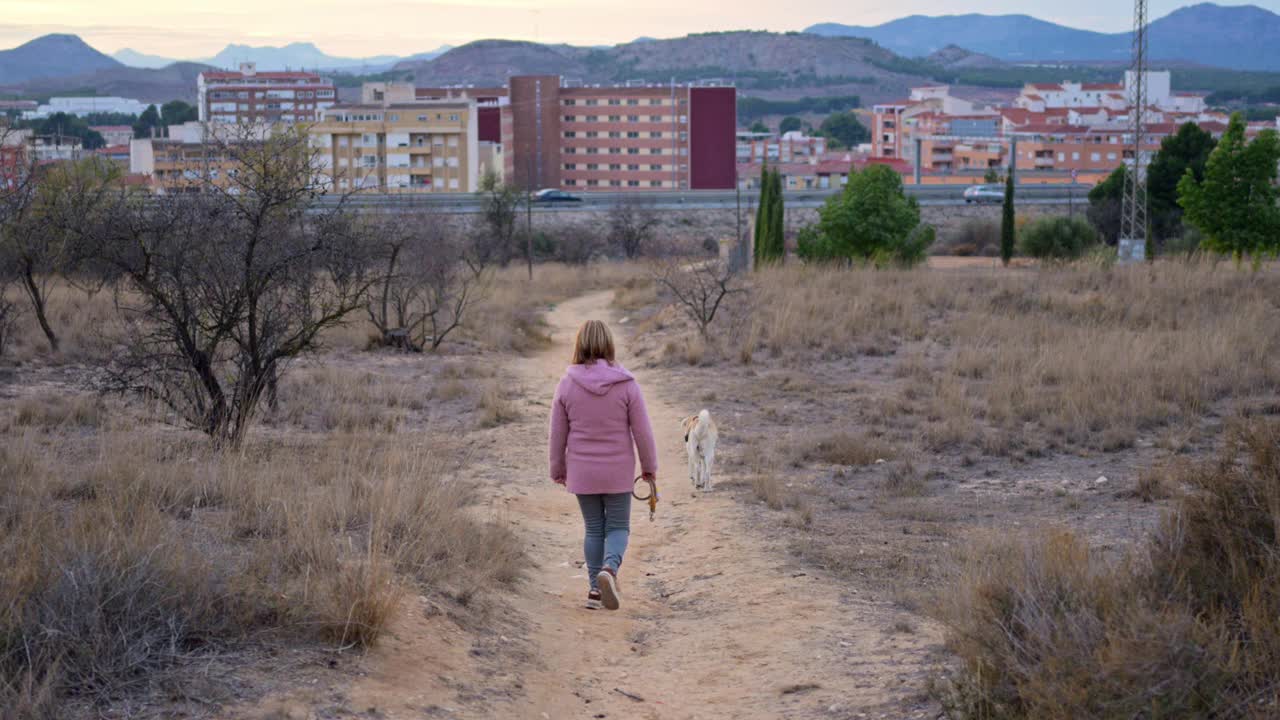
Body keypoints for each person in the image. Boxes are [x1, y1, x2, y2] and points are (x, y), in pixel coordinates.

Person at [549, 320, 657, 610]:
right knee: (618, 526)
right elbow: (643, 432)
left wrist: (557, 469)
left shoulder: (566, 384)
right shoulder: (626, 384)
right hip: (618, 470)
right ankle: (609, 569)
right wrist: (649, 468)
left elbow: (557, 434)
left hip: (582, 472)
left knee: (594, 528)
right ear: (609, 344)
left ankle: (595, 591)